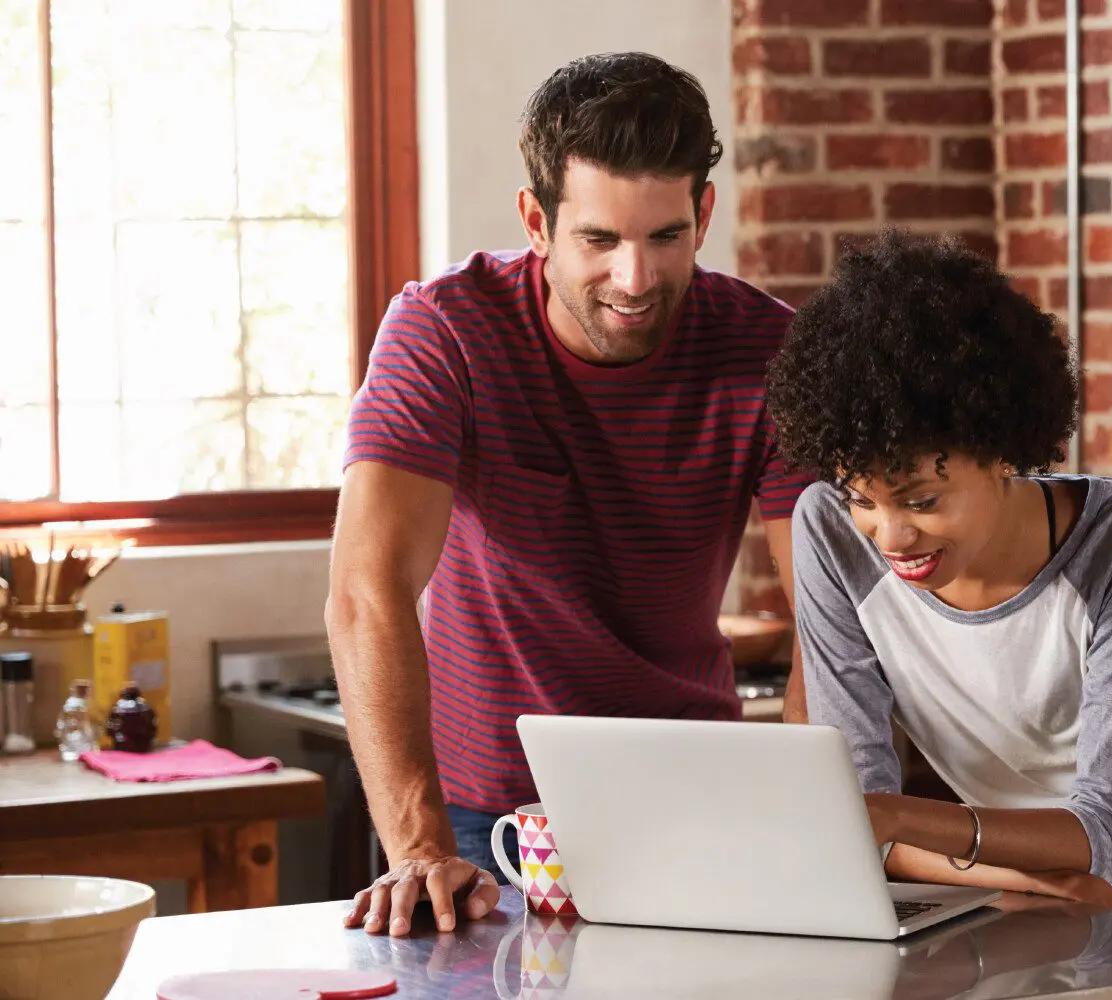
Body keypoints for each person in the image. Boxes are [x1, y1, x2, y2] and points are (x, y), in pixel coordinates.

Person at [328, 52, 811, 938]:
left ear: (703, 214)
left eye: (665, 237)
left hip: (697, 804)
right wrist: (419, 845)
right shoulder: (445, 330)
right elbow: (369, 592)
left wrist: (803, 822)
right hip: (478, 822)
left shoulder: (769, 348)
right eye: (599, 241)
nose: (634, 280)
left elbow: (834, 619)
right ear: (537, 222)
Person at [765, 229, 1112, 949]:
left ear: (1001, 452)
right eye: (862, 498)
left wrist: (902, 820)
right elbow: (859, 819)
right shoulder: (829, 531)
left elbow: (1106, 831)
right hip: (1040, 841)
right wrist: (1023, 879)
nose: (889, 536)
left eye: (922, 501)